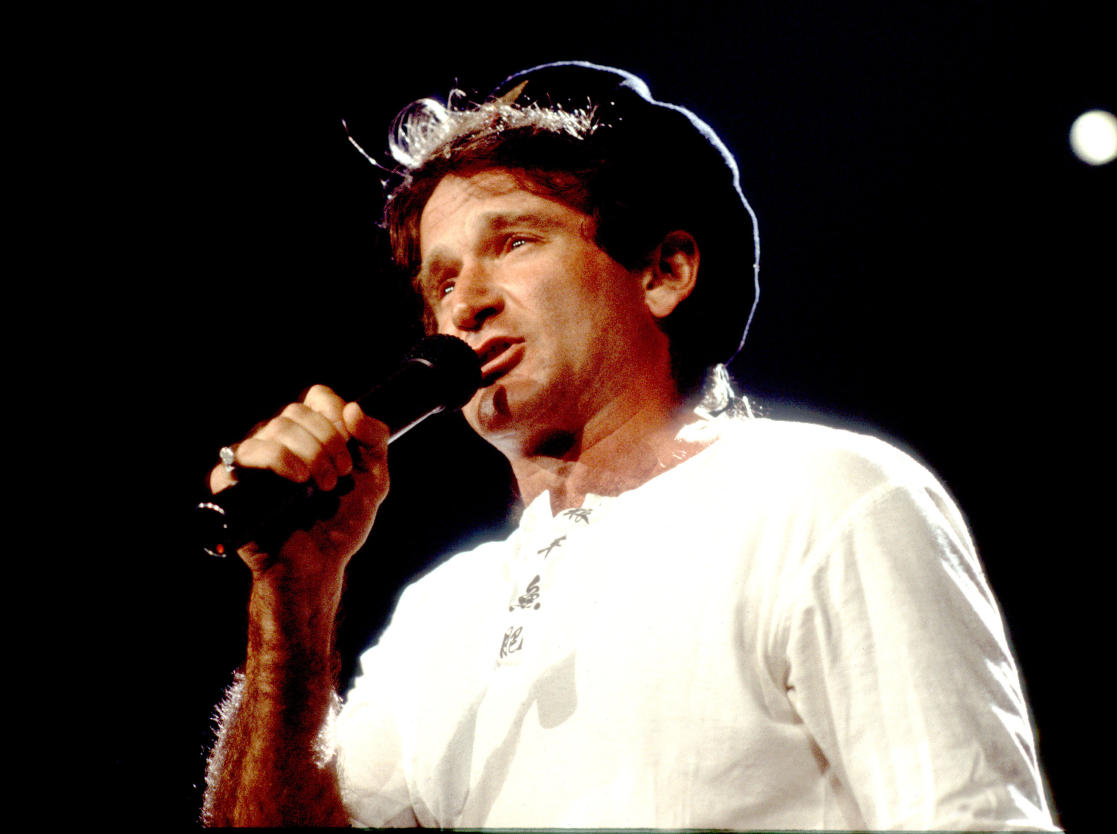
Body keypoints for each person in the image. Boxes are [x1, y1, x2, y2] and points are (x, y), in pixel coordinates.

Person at [200, 62, 1059, 830]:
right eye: (443, 278)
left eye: (515, 242)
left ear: (664, 272)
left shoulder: (822, 497)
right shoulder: (440, 612)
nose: (466, 304)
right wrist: (293, 609)